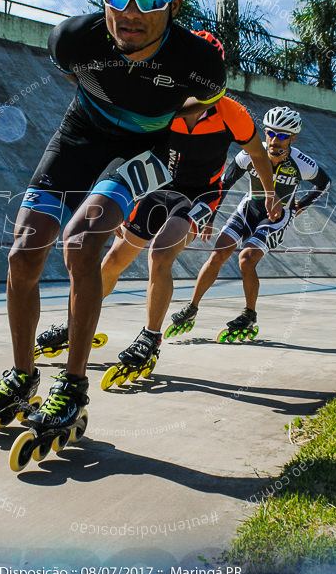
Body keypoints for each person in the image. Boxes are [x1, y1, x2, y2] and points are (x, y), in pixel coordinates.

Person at [0, 0, 227, 450]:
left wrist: (160, 118)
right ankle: (20, 378)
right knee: (23, 253)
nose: (131, 10)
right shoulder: (72, 41)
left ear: (174, 1)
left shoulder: (199, 61)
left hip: (145, 148)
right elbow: (80, 81)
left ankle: (73, 387)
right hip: (81, 134)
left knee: (81, 244)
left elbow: (201, 106)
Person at [94, 32, 282, 377]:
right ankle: (79, 320)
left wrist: (269, 194)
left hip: (198, 197)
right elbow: (129, 146)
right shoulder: (163, 104)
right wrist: (124, 195)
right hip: (157, 188)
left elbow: (257, 154)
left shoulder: (232, 112)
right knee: (114, 259)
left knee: (160, 255)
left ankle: (150, 337)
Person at [170, 106, 331, 341]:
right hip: (249, 208)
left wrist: (299, 206)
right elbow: (224, 182)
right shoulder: (251, 153)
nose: (275, 139)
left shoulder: (302, 163)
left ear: (293, 137)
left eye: (283, 135)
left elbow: (324, 185)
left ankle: (249, 313)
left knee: (246, 259)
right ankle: (192, 307)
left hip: (275, 217)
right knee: (218, 253)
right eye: (271, 133)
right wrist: (211, 215)